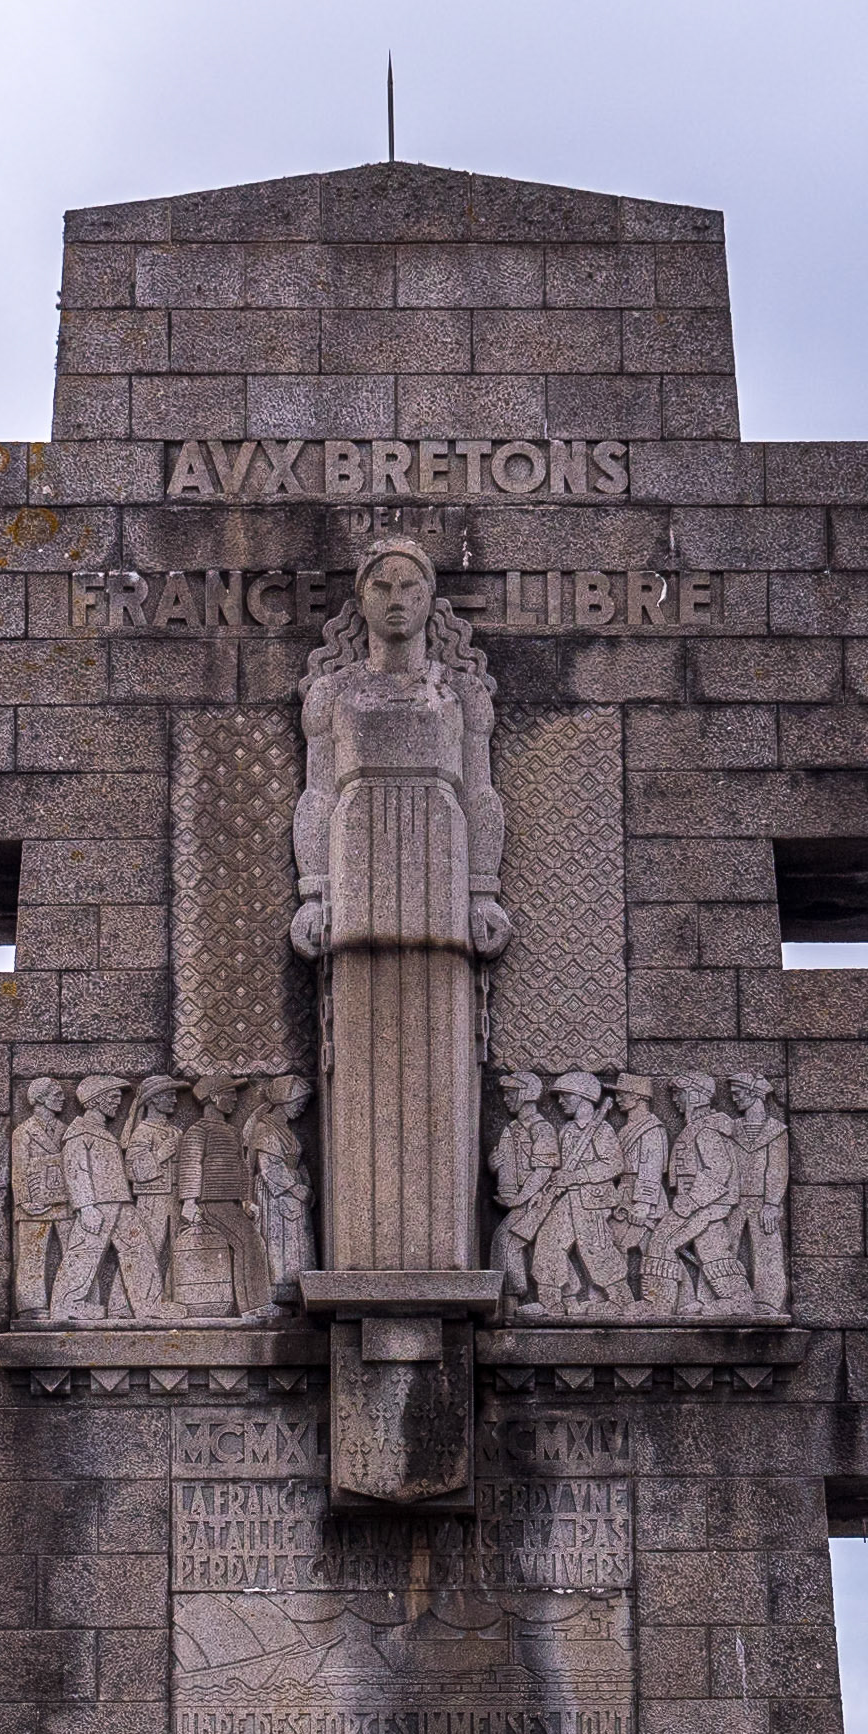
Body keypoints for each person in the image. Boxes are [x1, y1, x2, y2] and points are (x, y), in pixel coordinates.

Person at [290, 537, 509, 1273]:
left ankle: (439, 1248)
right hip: (357, 852)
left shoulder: (460, 693)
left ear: (429, 598)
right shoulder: (334, 694)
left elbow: (480, 794)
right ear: (362, 599)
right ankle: (365, 1245)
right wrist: (313, 893)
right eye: (380, 586)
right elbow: (317, 796)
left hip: (438, 857)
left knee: (443, 1038)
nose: (395, 599)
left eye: (410, 586)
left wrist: (483, 890)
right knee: (356, 1036)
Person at [52, 1075, 165, 1323]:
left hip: (119, 1201)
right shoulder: (80, 1132)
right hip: (97, 1205)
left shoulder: (102, 1132)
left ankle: (150, 1306)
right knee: (84, 1252)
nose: (117, 1102)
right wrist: (86, 1207)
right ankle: (66, 1304)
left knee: (139, 1249)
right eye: (113, 1097)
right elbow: (76, 1171)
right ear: (97, 1100)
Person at [641, 1073, 752, 1318]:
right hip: (699, 1204)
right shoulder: (697, 1128)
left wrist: (691, 1201)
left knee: (663, 1241)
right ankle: (726, 1299)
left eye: (679, 1093)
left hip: (703, 1205)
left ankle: (660, 1304)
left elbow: (720, 1170)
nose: (674, 1100)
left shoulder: (707, 1130)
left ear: (695, 1095)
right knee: (711, 1252)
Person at [528, 1071, 628, 1315]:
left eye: (566, 1096)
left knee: (596, 1248)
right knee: (548, 1240)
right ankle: (555, 1300)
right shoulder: (568, 1131)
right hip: (567, 1197)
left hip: (592, 1200)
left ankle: (620, 1299)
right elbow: (561, 1170)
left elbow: (614, 1165)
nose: (561, 1101)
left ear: (583, 1097)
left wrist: (577, 1176)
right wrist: (545, 1190)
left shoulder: (602, 1130)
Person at [176, 1071, 268, 1317]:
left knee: (249, 1243)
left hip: (232, 1202)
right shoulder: (198, 1130)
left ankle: (254, 1305)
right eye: (230, 1094)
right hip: (211, 1203)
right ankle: (256, 1306)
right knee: (250, 1243)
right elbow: (191, 1165)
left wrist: (246, 1199)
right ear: (215, 1097)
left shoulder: (233, 1132)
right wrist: (189, 1202)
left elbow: (242, 1167)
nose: (235, 1100)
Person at [241, 1074, 315, 1306]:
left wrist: (306, 1185)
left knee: (294, 1245)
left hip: (292, 1193)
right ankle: (277, 1294)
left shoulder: (284, 1129)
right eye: (298, 1103)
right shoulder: (265, 1128)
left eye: (303, 1105)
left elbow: (297, 1162)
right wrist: (296, 1188)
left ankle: (295, 1293)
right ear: (285, 1100)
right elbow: (268, 1168)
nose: (301, 1110)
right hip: (277, 1196)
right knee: (280, 1245)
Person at [488, 1070, 559, 1304]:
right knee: (505, 1241)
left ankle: (512, 1302)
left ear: (527, 1094)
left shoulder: (542, 1129)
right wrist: (493, 1166)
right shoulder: (512, 1128)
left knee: (506, 1241)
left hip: (537, 1199)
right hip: (516, 1198)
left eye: (511, 1093)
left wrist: (519, 1199)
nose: (506, 1099)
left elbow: (543, 1172)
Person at [725, 1070, 789, 1314]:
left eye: (738, 1094)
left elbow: (778, 1169)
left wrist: (772, 1203)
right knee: (724, 1246)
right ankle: (724, 1297)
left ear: (754, 1093)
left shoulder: (776, 1130)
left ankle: (768, 1302)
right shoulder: (732, 1128)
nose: (734, 1099)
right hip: (732, 1200)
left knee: (767, 1250)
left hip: (763, 1201)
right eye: (731, 1095)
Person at [120, 1073, 187, 1299]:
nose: (175, 1100)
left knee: (177, 1250)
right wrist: (159, 1155)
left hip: (176, 1197)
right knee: (147, 1250)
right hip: (152, 1199)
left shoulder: (177, 1132)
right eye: (169, 1095)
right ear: (153, 1100)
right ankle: (130, 1303)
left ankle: (168, 1297)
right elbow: (132, 1170)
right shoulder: (143, 1132)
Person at [9, 1076, 69, 1322]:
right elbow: (19, 1170)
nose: (62, 1098)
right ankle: (31, 1306)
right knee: (33, 1255)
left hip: (65, 1203)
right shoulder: (23, 1132)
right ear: (41, 1099)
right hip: (34, 1204)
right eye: (56, 1094)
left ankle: (72, 1301)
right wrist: (25, 1201)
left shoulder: (66, 1130)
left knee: (73, 1252)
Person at [609, 1072, 668, 1267]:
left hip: (642, 1198)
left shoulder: (651, 1128)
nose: (618, 1099)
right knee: (635, 1246)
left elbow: (652, 1168)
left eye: (623, 1094)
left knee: (649, 1249)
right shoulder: (626, 1129)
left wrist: (643, 1205)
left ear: (638, 1095)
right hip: (624, 1194)